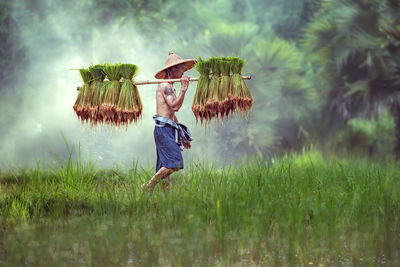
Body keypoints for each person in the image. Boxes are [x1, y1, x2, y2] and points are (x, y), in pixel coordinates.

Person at [143, 52, 196, 192]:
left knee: (164, 166)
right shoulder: (164, 86)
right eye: (180, 69)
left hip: (169, 129)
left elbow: (172, 114)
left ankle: (165, 200)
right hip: (163, 130)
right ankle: (148, 185)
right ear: (172, 69)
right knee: (174, 163)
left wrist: (181, 133)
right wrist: (184, 90)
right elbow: (175, 106)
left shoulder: (171, 86)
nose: (182, 71)